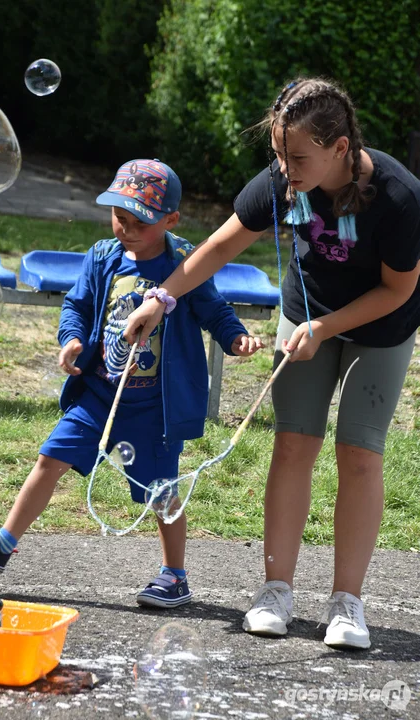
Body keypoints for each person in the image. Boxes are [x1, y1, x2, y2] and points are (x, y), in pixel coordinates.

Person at [123, 80, 420, 648]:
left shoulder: (400, 197)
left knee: (359, 454)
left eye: (298, 157)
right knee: (292, 444)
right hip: (305, 312)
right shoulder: (283, 183)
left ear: (340, 148)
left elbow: (398, 290)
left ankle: (347, 603)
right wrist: (159, 301)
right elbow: (217, 247)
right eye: (279, 156)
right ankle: (275, 589)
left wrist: (327, 328)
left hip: (380, 327)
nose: (285, 170)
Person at [0, 158, 262, 609]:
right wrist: (71, 339)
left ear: (171, 220)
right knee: (49, 459)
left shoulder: (185, 262)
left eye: (139, 223)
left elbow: (215, 311)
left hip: (156, 408)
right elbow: (76, 306)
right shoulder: (101, 257)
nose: (126, 229)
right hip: (97, 396)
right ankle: (3, 542)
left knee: (162, 492)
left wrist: (236, 339)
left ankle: (175, 576)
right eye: (119, 217)